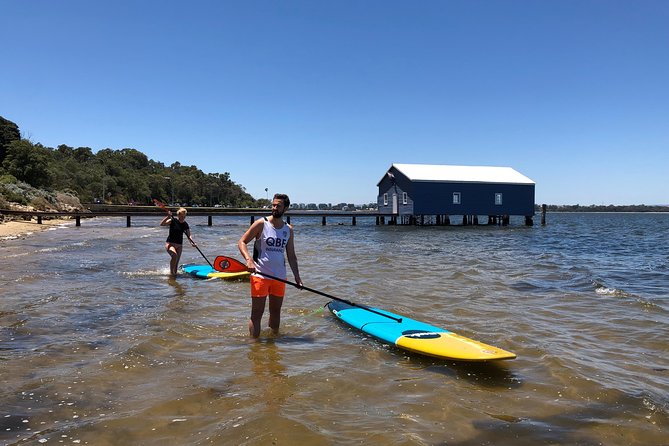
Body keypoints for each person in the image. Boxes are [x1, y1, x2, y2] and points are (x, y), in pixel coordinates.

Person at [238, 193, 302, 338]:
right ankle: (254, 346)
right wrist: (248, 260)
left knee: (275, 312)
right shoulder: (261, 223)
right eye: (273, 205)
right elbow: (242, 242)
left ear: (285, 208)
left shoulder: (288, 230)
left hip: (280, 277)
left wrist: (297, 278)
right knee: (257, 313)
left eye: (278, 206)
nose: (274, 208)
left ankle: (273, 344)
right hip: (260, 275)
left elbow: (291, 256)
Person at [160, 207, 196, 277]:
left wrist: (192, 242)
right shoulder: (173, 221)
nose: (183, 217)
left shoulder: (185, 224)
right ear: (178, 215)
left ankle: (174, 276)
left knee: (176, 263)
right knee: (174, 255)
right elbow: (162, 224)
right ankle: (171, 273)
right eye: (181, 216)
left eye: (184, 216)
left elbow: (189, 235)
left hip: (179, 245)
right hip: (170, 244)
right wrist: (168, 217)